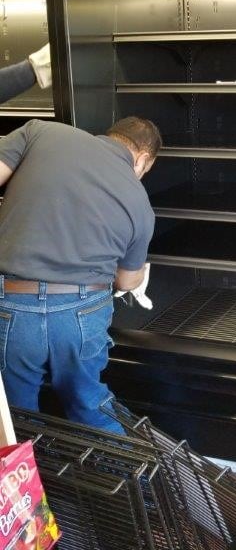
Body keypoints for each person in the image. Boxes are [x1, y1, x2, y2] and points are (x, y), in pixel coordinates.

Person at [0, 116, 161, 434]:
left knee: (15, 418)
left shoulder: (40, 131)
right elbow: (126, 282)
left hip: (12, 306)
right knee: (89, 404)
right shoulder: (140, 203)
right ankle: (135, 478)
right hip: (82, 313)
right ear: (143, 157)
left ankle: (32, 480)